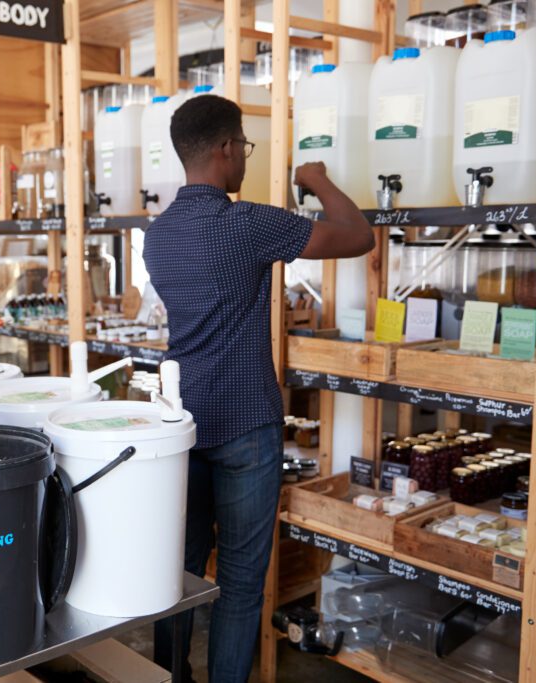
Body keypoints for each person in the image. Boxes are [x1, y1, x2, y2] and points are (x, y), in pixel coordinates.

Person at [144, 94, 375, 682]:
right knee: (242, 584)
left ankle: (170, 677)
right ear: (225, 150)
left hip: (182, 422)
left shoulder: (157, 235)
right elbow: (357, 235)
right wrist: (316, 179)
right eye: (243, 146)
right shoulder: (249, 224)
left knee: (180, 572)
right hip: (247, 424)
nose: (244, 158)